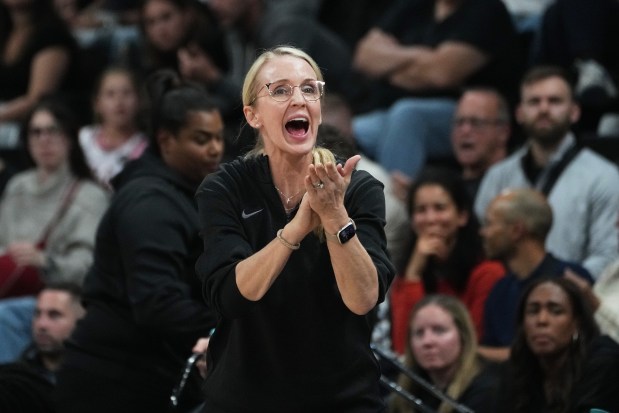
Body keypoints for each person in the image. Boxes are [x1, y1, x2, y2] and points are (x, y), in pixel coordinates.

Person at [195, 46, 395, 412]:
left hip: (341, 401)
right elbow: (231, 296)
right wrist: (298, 227)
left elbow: (364, 298)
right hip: (245, 400)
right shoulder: (225, 189)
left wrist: (333, 215)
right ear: (252, 114)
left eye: (309, 89)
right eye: (281, 90)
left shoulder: (358, 189)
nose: (299, 99)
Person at [53, 70, 223, 413]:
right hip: (111, 381)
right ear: (166, 140)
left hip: (146, 372)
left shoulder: (186, 193)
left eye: (219, 138)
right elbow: (158, 304)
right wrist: (236, 322)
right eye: (202, 139)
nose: (215, 149)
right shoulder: (150, 203)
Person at [351, 0, 522, 183]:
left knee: (408, 115)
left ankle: (395, 202)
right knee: (355, 129)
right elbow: (363, 57)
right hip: (393, 111)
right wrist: (420, 56)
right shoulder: (413, 6)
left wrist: (389, 62)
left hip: (460, 113)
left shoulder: (487, 11)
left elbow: (441, 74)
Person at [475, 65, 619, 279]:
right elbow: (485, 242)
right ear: (520, 113)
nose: (543, 109)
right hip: (509, 295)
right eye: (534, 102)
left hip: (576, 301)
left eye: (554, 101)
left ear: (574, 111)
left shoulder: (605, 177)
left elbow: (607, 255)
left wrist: (561, 290)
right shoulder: (497, 176)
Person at [0, 98, 109, 298]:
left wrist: (45, 262)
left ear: (70, 138)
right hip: (8, 288)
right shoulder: (17, 186)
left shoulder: (91, 196)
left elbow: (90, 266)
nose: (44, 139)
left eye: (53, 130)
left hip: (60, 298)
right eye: (36, 132)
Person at [389, 167, 504, 355]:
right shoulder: (408, 273)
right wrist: (414, 273)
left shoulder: (488, 273)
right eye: (421, 210)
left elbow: (468, 346)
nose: (431, 219)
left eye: (440, 208)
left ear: (462, 216)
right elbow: (404, 349)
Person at [478, 187, 594, 362]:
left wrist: (469, 354)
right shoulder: (500, 290)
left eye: (489, 224)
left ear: (516, 231)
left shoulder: (570, 279)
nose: (483, 232)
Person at [496, 277, 612, 413]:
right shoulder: (516, 372)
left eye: (556, 311)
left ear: (577, 323)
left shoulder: (603, 362)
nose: (541, 320)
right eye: (533, 311)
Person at [388, 294, 499, 413]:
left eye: (439, 330)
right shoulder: (407, 388)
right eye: (419, 333)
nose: (427, 341)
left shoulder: (487, 391)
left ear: (463, 336)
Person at [79, 66, 148, 189]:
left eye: (126, 93)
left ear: (140, 101)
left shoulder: (146, 148)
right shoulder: (83, 138)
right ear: (97, 103)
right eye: (110, 94)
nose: (119, 101)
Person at [451, 87, 511, 200]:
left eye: (476, 123)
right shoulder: (447, 191)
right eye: (459, 122)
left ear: (503, 132)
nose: (465, 131)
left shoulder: (515, 186)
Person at [18, 282, 84, 384]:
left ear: (81, 321)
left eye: (54, 315)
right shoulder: (15, 377)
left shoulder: (99, 379)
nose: (41, 325)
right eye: (37, 314)